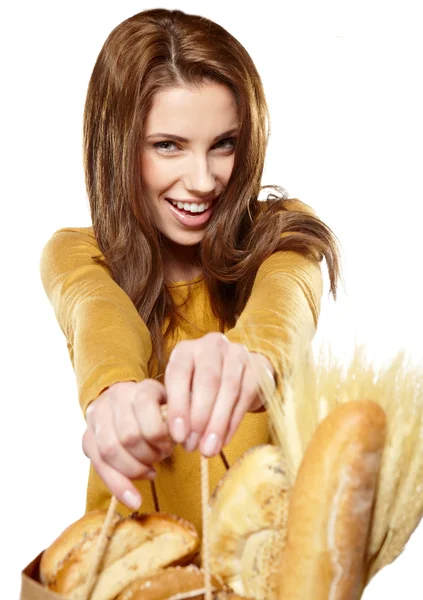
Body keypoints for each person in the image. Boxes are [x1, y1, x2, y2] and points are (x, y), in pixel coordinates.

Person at [40, 8, 341, 534]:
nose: (202, 181)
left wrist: (252, 360)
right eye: (168, 146)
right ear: (116, 147)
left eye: (224, 143)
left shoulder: (284, 234)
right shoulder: (80, 254)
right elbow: (96, 312)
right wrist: (114, 392)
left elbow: (285, 304)